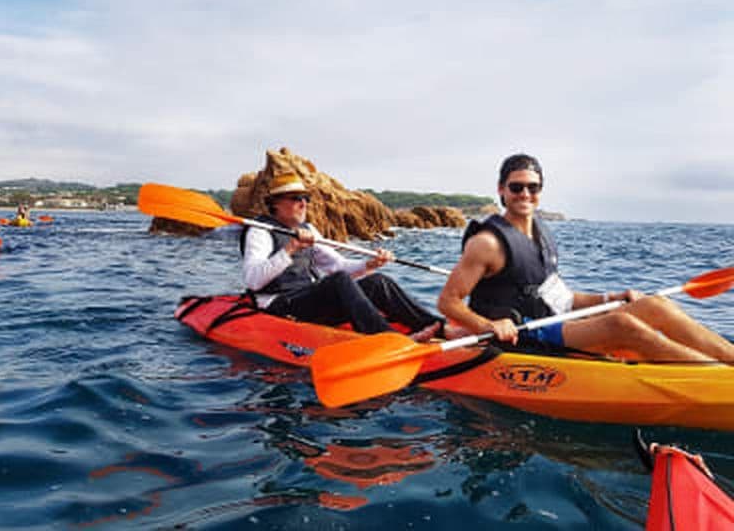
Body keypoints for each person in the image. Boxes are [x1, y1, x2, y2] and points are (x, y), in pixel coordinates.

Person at [437, 153, 734, 362]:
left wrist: (611, 297)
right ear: (502, 190)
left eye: (533, 187)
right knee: (622, 325)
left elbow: (561, 298)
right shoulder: (486, 243)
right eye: (516, 187)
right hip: (524, 334)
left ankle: (729, 361)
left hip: (555, 321)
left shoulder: (539, 234)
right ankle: (717, 378)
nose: (525, 194)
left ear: (541, 190)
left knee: (655, 305)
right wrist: (488, 326)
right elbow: (447, 301)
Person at [241, 172, 448, 341]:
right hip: (278, 305)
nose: (303, 203)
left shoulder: (308, 229)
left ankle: (440, 328)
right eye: (296, 198)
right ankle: (387, 338)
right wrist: (290, 249)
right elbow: (253, 280)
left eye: (306, 198)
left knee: (377, 281)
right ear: (275, 203)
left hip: (307, 300)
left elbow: (337, 264)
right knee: (338, 281)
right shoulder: (260, 231)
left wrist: (369, 264)